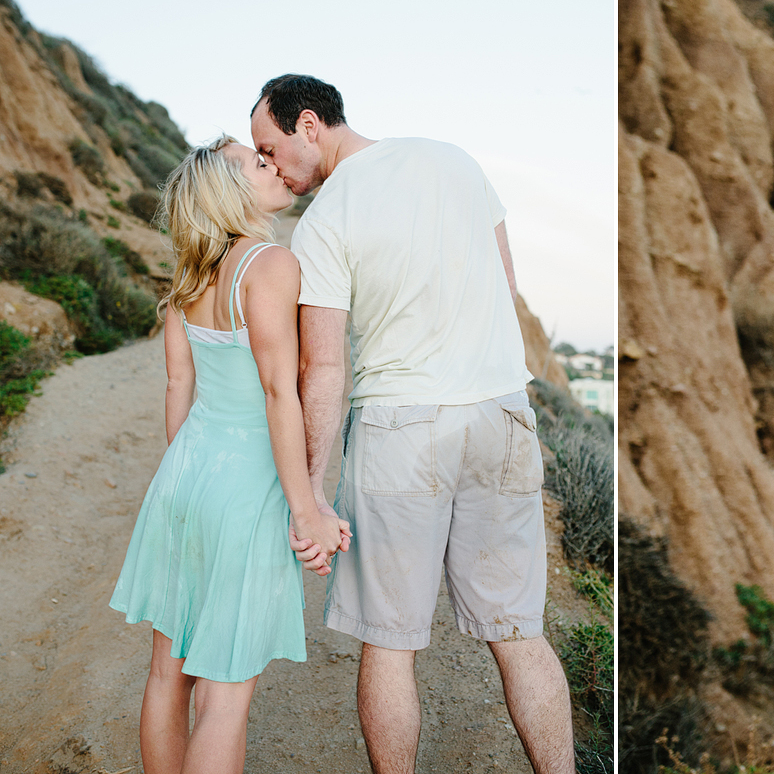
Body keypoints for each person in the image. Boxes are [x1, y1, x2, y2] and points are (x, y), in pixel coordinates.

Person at [250, 74, 575, 774]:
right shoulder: (453, 158)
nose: (272, 167)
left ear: (308, 124)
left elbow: (324, 369)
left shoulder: (325, 219)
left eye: (270, 148)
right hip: (501, 415)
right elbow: (506, 285)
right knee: (520, 633)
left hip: (400, 429)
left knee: (389, 644)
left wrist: (307, 489)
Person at [109, 135, 351, 774]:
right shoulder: (270, 265)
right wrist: (307, 510)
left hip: (184, 476)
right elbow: (280, 392)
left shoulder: (191, 275)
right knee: (225, 696)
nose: (270, 165)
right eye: (256, 162)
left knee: (168, 674)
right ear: (229, 192)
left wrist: (185, 483)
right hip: (246, 488)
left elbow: (177, 385)